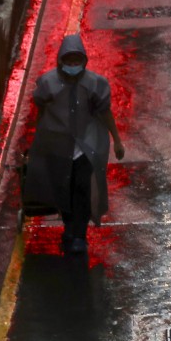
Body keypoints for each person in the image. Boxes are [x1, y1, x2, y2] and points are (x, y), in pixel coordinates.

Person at [23, 34, 125, 254]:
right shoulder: (48, 84)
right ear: (61, 61)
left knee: (82, 188)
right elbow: (41, 114)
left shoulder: (94, 84)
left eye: (76, 61)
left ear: (84, 61)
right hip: (58, 148)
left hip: (85, 148)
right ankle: (70, 228)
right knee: (64, 189)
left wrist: (116, 139)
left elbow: (104, 112)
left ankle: (79, 234)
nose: (72, 66)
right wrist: (40, 142)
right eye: (68, 61)